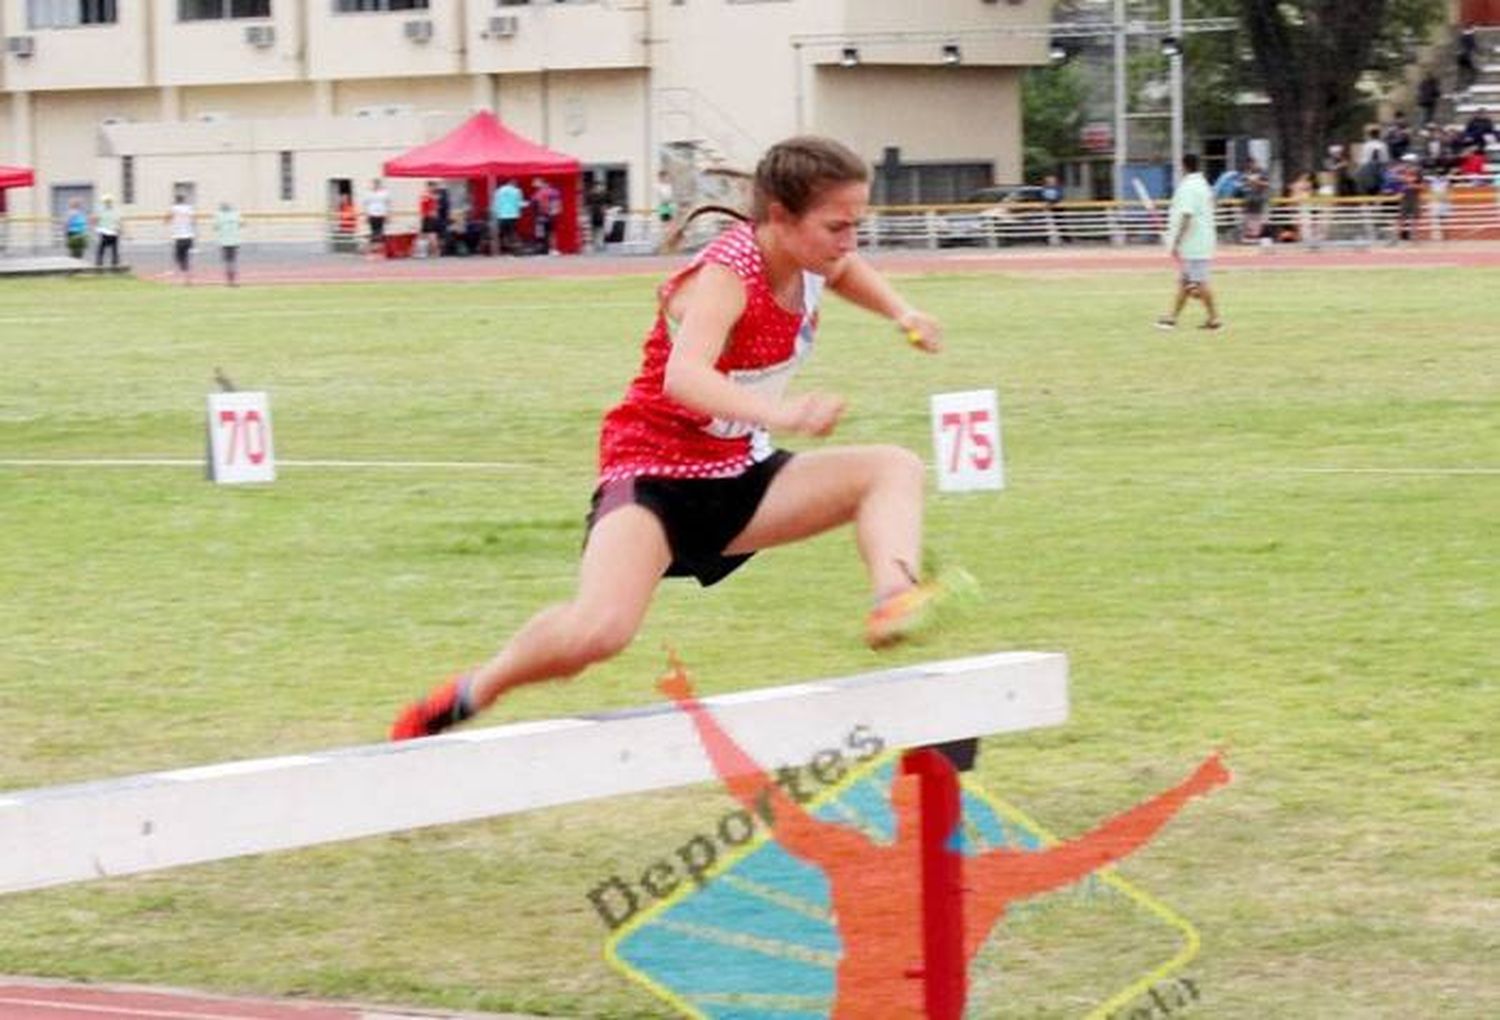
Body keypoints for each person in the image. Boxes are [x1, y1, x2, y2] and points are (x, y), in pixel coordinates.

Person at [390, 135, 954, 740]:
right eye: (837, 226)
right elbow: (683, 377)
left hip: (740, 477)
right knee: (599, 633)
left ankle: (894, 595)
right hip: (655, 476)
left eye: (857, 225)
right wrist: (785, 414)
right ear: (781, 219)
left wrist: (902, 312)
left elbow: (845, 270)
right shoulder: (727, 275)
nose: (850, 243)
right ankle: (473, 691)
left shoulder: (813, 257)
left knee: (892, 467)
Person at [656, 658, 1231, 1018]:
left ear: (892, 797)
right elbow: (1100, 848)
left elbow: (758, 796)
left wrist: (693, 711)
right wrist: (1185, 791)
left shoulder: (852, 857)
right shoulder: (983, 876)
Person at [1155, 153, 1221, 331]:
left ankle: (1214, 318)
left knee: (1199, 283)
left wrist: (1176, 240)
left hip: (1194, 243)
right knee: (1186, 282)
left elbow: (1186, 215)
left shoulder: (1188, 187)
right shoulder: (1203, 185)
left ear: (1184, 166)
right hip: (1201, 240)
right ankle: (1171, 318)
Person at [164, 189, 195, 285]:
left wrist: (169, 221)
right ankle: (187, 276)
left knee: (179, 257)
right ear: (184, 200)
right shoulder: (189, 208)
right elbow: (193, 221)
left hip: (179, 236)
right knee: (186, 256)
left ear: (176, 200)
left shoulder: (174, 209)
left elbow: (166, 219)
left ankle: (185, 277)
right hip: (189, 236)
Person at [214, 200, 242, 286]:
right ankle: (232, 280)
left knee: (227, 261)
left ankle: (229, 280)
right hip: (234, 241)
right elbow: (242, 224)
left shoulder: (219, 215)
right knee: (233, 261)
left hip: (224, 242)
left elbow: (215, 227)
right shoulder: (236, 214)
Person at [493, 177, 524, 254]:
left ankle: (499, 250)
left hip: (501, 215)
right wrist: (527, 204)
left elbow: (495, 204)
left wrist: (495, 213)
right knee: (512, 233)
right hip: (513, 215)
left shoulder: (498, 191)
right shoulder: (517, 191)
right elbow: (520, 204)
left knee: (500, 234)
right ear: (513, 182)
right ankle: (514, 251)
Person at [531, 177, 561, 254]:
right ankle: (552, 249)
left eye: (536, 183)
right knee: (551, 232)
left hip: (541, 215)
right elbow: (557, 203)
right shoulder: (554, 191)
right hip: (550, 215)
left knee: (541, 233)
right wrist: (555, 212)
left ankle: (543, 250)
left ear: (541, 183)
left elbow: (533, 203)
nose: (534, 185)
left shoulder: (538, 193)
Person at [361, 177, 389, 258]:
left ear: (379, 185)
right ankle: (372, 250)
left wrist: (387, 214)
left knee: (380, 232)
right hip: (372, 214)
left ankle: (381, 250)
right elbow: (365, 204)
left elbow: (387, 204)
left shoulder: (384, 193)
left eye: (377, 184)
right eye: (374, 184)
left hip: (381, 214)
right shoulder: (369, 193)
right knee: (373, 232)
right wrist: (366, 215)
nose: (375, 186)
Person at [93, 194, 121, 268]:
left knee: (104, 247)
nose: (107, 203)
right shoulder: (113, 210)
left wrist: (96, 226)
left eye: (108, 201)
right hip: (109, 231)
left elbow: (96, 219)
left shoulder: (102, 210)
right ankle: (112, 261)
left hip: (110, 231)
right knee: (111, 247)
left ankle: (103, 261)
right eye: (107, 201)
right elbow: (118, 221)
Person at [418, 181, 441, 258]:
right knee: (424, 235)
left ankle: (435, 252)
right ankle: (428, 252)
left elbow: (426, 206)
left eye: (429, 186)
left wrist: (428, 213)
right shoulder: (433, 196)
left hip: (428, 217)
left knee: (431, 235)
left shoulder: (428, 195)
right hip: (429, 216)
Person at [586, 180, 610, 251]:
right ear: (594, 187)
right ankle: (595, 244)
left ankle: (600, 244)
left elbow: (605, 204)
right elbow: (588, 205)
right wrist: (588, 212)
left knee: (600, 229)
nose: (598, 188)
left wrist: (605, 210)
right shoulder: (590, 194)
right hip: (593, 214)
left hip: (600, 214)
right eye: (597, 187)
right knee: (594, 230)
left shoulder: (602, 194)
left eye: (599, 187)